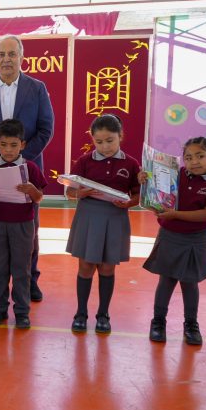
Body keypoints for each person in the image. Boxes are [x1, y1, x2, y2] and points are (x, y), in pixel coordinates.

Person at [0, 34, 54, 301]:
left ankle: (30, 280)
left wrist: (19, 159)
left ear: (21, 56)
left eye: (12, 54)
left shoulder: (37, 88)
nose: (6, 59)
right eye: (1, 54)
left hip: (25, 171)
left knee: (29, 228)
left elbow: (46, 128)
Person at [142, 138, 206, 346]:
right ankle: (158, 322)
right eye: (188, 158)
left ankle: (191, 324)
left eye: (200, 156)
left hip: (195, 239)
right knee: (166, 281)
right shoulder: (175, 174)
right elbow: (157, 193)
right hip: (169, 235)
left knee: (190, 283)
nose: (194, 162)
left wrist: (176, 215)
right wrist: (145, 179)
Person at [64, 114, 140, 334]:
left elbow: (137, 195)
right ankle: (80, 313)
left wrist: (129, 203)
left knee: (107, 267)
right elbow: (70, 192)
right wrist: (80, 192)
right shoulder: (84, 161)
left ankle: (103, 314)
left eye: (110, 140)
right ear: (93, 140)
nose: (105, 146)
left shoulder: (131, 163)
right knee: (86, 266)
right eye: (99, 142)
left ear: (120, 136)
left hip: (115, 218)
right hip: (88, 217)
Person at [0, 120, 46, 329]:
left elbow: (39, 197)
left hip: (23, 225)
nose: (8, 150)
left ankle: (22, 312)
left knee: (21, 269)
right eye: (4, 144)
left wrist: (32, 190)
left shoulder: (30, 168)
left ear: (22, 145)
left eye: (14, 145)